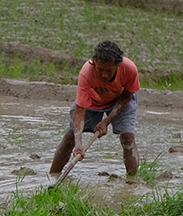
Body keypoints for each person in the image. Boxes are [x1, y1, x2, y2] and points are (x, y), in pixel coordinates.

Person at [49, 39, 141, 181]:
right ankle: (53, 177)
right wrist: (78, 143)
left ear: (117, 65)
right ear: (94, 63)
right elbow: (80, 111)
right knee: (70, 137)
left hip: (120, 99)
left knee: (128, 138)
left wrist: (107, 121)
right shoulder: (86, 72)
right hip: (93, 101)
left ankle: (132, 181)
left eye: (109, 71)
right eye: (100, 70)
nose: (104, 75)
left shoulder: (129, 69)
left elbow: (126, 97)